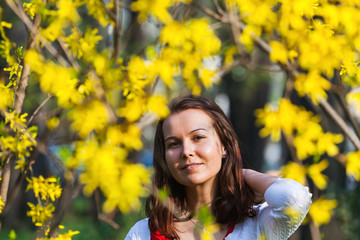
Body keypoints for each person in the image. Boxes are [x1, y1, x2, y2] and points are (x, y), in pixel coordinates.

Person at [125, 95, 312, 240]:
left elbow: (294, 199)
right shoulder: (143, 233)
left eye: (198, 137)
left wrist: (238, 174)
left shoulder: (256, 224)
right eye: (174, 144)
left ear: (224, 145)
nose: (186, 151)